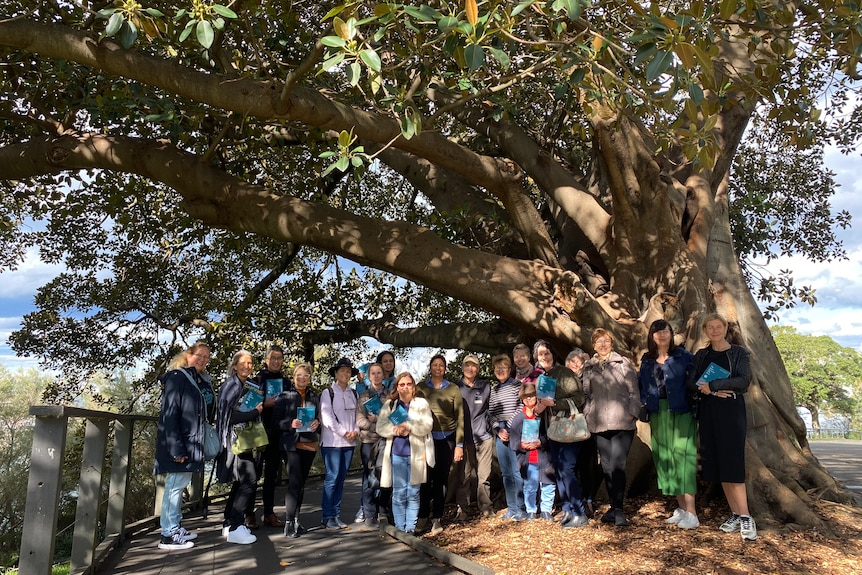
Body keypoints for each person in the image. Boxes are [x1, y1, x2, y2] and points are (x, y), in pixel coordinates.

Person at [687, 313, 755, 541]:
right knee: (718, 462)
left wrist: (714, 384)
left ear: (725, 328)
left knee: (733, 461)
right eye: (710, 327)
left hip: (731, 412)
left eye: (719, 326)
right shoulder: (702, 354)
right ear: (705, 330)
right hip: (708, 412)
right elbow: (691, 382)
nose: (715, 330)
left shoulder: (739, 353)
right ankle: (735, 513)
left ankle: (746, 516)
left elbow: (743, 381)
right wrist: (710, 390)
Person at [638, 319, 699, 529]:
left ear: (671, 334)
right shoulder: (647, 359)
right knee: (666, 457)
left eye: (665, 331)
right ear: (651, 336)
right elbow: (642, 385)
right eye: (657, 332)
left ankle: (692, 513)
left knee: (684, 457)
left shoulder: (684, 356)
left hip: (681, 411)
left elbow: (696, 381)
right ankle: (682, 509)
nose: (661, 335)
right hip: (658, 412)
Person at [153, 342, 214, 550]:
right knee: (174, 486)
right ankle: (167, 535)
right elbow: (170, 415)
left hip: (190, 442)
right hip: (180, 444)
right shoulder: (177, 378)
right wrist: (176, 449)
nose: (203, 360)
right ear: (188, 355)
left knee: (179, 484)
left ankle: (175, 526)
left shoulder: (195, 379)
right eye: (199, 355)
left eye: (207, 357)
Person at [582, 329, 640, 527]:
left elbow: (634, 390)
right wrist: (587, 414)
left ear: (611, 343)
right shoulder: (589, 366)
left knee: (618, 465)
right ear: (593, 345)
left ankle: (619, 509)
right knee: (606, 466)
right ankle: (613, 508)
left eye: (606, 340)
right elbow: (587, 394)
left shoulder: (622, 363)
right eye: (599, 341)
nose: (603, 344)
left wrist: (632, 413)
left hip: (622, 423)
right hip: (598, 424)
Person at [532, 340, 589, 528]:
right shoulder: (543, 378)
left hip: (568, 428)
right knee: (559, 470)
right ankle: (568, 509)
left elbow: (579, 398)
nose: (544, 357)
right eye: (540, 354)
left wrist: (555, 404)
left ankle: (579, 513)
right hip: (553, 430)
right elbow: (544, 404)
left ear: (553, 354)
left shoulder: (564, 373)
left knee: (567, 470)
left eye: (547, 353)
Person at [376, 371, 434, 533]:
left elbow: (427, 425)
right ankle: (400, 529)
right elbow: (380, 427)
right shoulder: (390, 405)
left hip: (416, 454)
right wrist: (395, 430)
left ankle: (410, 528)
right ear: (397, 387)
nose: (405, 387)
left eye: (409, 384)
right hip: (397, 454)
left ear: (413, 387)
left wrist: (409, 427)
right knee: (399, 493)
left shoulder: (421, 404)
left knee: (414, 493)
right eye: (402, 384)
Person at [216, 349, 262, 545]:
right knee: (250, 479)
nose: (247, 366)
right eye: (243, 363)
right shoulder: (231, 386)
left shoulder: (245, 386)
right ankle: (236, 525)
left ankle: (228, 522)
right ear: (234, 366)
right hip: (233, 441)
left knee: (240, 481)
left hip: (242, 441)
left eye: (250, 363)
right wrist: (254, 412)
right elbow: (228, 417)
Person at [417, 354, 464, 536]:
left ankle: (437, 517)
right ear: (430, 367)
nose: (438, 368)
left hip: (447, 439)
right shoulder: (421, 388)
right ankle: (423, 516)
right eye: (435, 365)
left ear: (445, 368)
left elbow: (460, 417)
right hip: (425, 440)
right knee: (424, 479)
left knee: (441, 480)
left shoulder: (452, 389)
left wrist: (459, 444)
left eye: (441, 365)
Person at [273, 362, 320, 537]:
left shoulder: (314, 397)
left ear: (309, 378)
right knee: (294, 483)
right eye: (299, 375)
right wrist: (289, 424)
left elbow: (320, 421)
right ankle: (288, 522)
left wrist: (317, 424)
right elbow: (274, 423)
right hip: (291, 445)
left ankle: (296, 520)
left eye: (305, 376)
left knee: (301, 484)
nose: (302, 378)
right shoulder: (284, 396)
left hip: (309, 444)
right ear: (294, 377)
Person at [319, 357, 360, 529]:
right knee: (332, 478)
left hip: (349, 443)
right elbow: (326, 418)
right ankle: (327, 516)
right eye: (342, 370)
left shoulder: (354, 393)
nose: (345, 373)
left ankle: (336, 514)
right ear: (336, 373)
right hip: (332, 442)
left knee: (341, 478)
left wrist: (356, 431)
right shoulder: (328, 392)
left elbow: (358, 415)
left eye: (348, 371)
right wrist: (344, 433)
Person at [255, 345, 292, 529]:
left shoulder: (286, 382)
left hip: (278, 434)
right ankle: (248, 514)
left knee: (271, 475)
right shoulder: (258, 379)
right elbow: (248, 403)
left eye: (279, 358)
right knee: (252, 475)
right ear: (266, 360)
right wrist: (264, 402)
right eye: (273, 358)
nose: (276, 361)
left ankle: (268, 513)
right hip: (258, 433)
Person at [509, 383, 556, 520]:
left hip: (545, 457)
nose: (529, 399)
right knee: (530, 486)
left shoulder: (544, 416)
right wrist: (522, 445)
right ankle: (531, 510)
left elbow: (552, 435)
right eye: (525, 397)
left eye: (531, 396)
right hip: (528, 459)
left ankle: (546, 510)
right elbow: (513, 441)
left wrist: (541, 442)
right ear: (522, 399)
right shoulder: (518, 418)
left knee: (548, 484)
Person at [455, 354, 494, 519]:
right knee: (463, 477)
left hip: (483, 438)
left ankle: (485, 507)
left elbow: (491, 411)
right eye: (467, 365)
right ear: (463, 367)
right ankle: (462, 510)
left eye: (474, 366)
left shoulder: (485, 387)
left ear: (478, 369)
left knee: (484, 476)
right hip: (464, 440)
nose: (470, 369)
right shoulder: (455, 388)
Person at [488, 353, 526, 520]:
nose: (501, 371)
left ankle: (521, 508)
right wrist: (499, 429)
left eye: (504, 368)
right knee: (506, 473)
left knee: (517, 472)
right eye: (498, 368)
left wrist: (509, 427)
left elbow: (521, 407)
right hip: (500, 435)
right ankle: (511, 507)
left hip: (515, 433)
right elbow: (491, 414)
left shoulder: (517, 386)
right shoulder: (494, 390)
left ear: (509, 369)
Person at [355, 362, 390, 528]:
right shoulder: (364, 396)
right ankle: (370, 513)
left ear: (383, 375)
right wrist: (376, 427)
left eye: (379, 373)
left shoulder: (390, 395)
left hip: (386, 440)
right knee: (369, 478)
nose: (376, 376)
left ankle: (383, 509)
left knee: (385, 476)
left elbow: (394, 417)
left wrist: (379, 422)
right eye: (373, 373)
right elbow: (360, 420)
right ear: (369, 376)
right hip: (369, 442)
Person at [567, 347, 600, 516]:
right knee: (571, 467)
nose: (575, 365)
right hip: (567, 429)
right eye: (571, 362)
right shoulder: (563, 381)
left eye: (578, 362)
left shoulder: (588, 379)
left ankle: (588, 500)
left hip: (587, 427)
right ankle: (573, 502)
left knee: (587, 466)